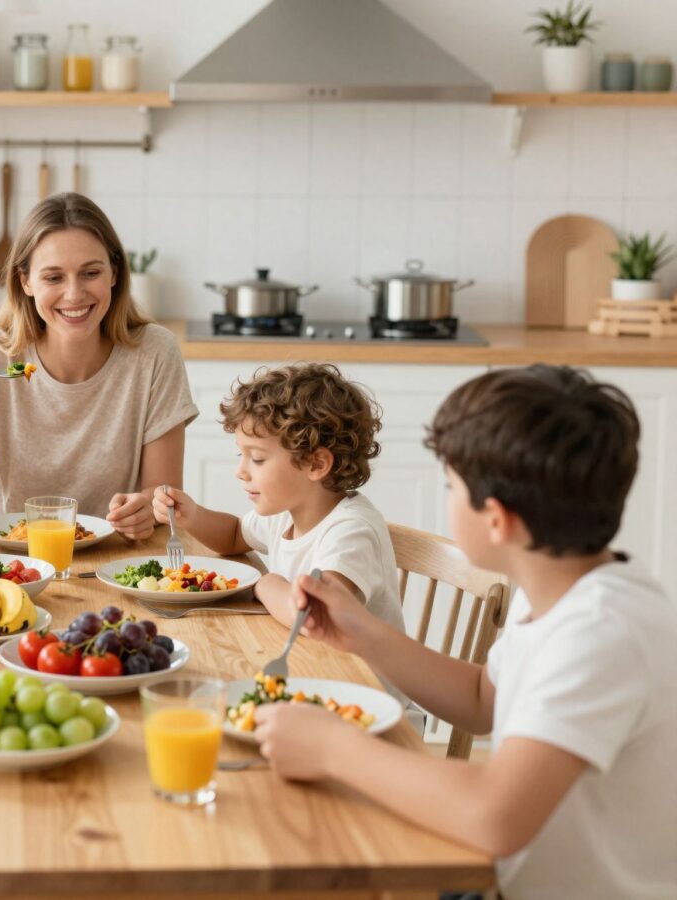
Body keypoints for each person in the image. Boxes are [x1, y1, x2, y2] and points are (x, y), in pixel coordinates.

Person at [255, 366, 677, 900]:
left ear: (497, 520)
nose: (448, 497)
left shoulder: (600, 633)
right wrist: (362, 634)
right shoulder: (560, 582)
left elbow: (494, 815)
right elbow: (484, 698)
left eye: (451, 486)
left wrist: (332, 749)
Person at [0, 192, 198, 540]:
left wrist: (145, 508)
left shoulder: (154, 353)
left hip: (111, 558)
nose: (74, 294)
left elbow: (162, 497)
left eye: (90, 272)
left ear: (114, 274)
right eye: (53, 278)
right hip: (11, 561)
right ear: (26, 282)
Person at [153, 364, 405, 637]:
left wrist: (265, 583)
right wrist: (192, 515)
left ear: (316, 463)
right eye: (242, 456)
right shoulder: (285, 513)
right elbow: (235, 535)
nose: (241, 471)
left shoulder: (351, 531)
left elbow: (312, 615)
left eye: (258, 459)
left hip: (361, 677)